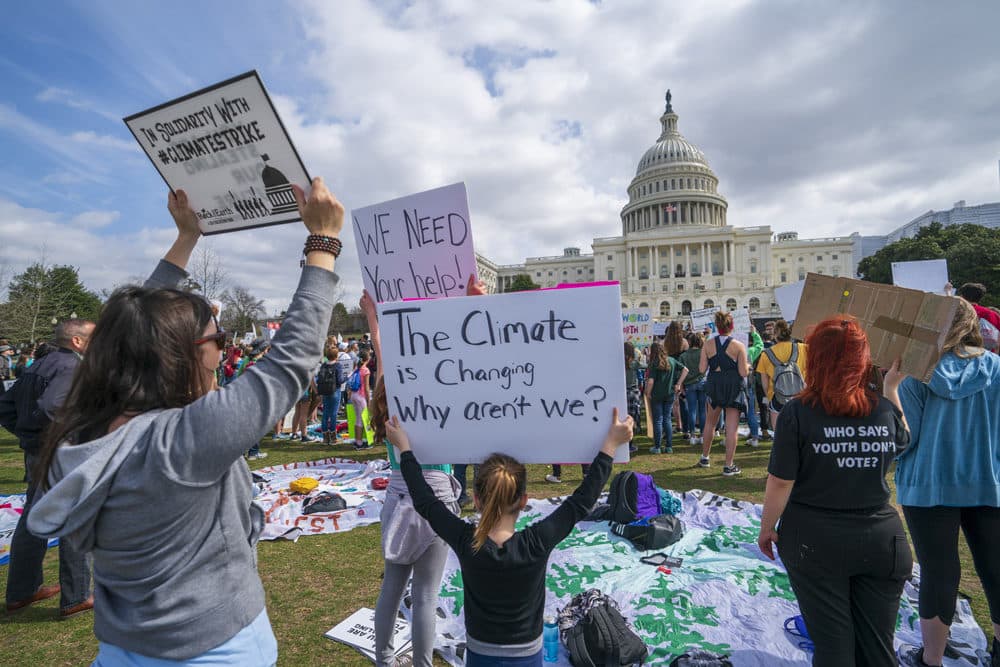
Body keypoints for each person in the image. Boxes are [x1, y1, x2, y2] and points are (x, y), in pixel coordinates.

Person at [26, 179, 343, 665]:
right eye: (219, 339)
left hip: (122, 646)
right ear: (182, 356)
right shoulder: (182, 441)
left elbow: (129, 332)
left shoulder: (78, 429)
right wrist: (323, 242)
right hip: (214, 649)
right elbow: (290, 361)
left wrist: (186, 239)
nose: (223, 348)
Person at [387, 409, 634, 666]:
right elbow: (581, 502)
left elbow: (426, 501)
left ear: (477, 500)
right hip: (527, 658)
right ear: (524, 501)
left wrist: (406, 450)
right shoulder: (536, 542)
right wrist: (610, 445)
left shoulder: (466, 541)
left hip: (480, 657)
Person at [758, 317, 912, 666]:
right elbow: (903, 439)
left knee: (833, 648)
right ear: (862, 361)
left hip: (816, 540)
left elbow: (781, 480)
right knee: (877, 649)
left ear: (815, 359)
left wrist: (767, 527)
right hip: (880, 540)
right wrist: (891, 390)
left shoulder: (798, 411)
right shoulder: (883, 409)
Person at [887, 299, 1000, 667]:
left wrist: (890, 392)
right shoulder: (996, 367)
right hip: (986, 479)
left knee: (938, 571)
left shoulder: (917, 371)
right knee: (995, 567)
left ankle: (931, 658)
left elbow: (907, 437)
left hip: (928, 484)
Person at [0, 319, 95, 617]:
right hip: (58, 451)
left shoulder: (38, 365)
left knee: (34, 517)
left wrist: (27, 434)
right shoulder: (70, 368)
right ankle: (76, 595)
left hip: (38, 450)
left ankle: (22, 591)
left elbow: (5, 407)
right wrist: (57, 438)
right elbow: (51, 406)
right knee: (74, 517)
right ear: (77, 342)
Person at [699, 310, 749, 475]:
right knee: (732, 428)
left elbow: (701, 369)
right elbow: (743, 372)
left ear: (717, 326)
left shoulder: (707, 344)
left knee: (710, 423)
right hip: (733, 386)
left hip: (714, 384)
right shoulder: (739, 346)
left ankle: (705, 457)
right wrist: (747, 367)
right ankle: (728, 465)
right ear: (731, 326)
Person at [757, 318, 808, 432]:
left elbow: (764, 382)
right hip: (800, 395)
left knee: (778, 433)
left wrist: (768, 396)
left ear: (775, 335)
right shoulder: (804, 349)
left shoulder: (766, 354)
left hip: (777, 396)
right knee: (801, 431)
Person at [644, 341, 688, 454]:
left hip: (657, 395)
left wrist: (647, 393)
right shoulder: (672, 360)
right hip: (669, 394)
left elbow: (651, 381)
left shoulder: (654, 363)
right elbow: (685, 370)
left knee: (658, 420)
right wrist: (678, 383)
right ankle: (669, 446)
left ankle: (657, 447)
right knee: (667, 419)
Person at [955, 282, 1000, 353]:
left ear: (962, 296)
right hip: (987, 358)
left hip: (960, 355)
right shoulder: (993, 314)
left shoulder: (959, 312)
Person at [678, 332, 706, 446]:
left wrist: (682, 385)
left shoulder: (683, 356)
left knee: (692, 410)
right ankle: (703, 435)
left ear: (689, 342)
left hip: (689, 384)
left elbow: (681, 372)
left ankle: (693, 435)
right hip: (702, 382)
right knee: (702, 410)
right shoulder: (703, 353)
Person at [350, 349, 372, 449]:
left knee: (357, 419)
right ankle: (359, 443)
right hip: (361, 397)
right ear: (367, 359)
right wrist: (369, 400)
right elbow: (367, 388)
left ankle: (357, 440)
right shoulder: (365, 370)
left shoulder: (356, 369)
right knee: (361, 419)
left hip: (353, 395)